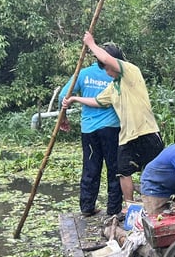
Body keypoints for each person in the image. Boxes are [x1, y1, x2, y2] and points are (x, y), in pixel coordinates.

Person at [62, 32, 164, 207]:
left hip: (146, 130)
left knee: (154, 170)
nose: (107, 73)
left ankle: (159, 202)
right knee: (122, 171)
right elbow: (97, 101)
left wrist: (91, 44)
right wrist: (74, 99)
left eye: (108, 68)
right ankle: (129, 206)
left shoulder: (131, 71)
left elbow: (109, 60)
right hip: (127, 135)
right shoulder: (113, 86)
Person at [59, 60, 122, 218]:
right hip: (112, 127)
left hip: (89, 130)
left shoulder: (83, 73)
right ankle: (114, 209)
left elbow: (63, 97)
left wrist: (63, 117)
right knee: (114, 167)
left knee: (90, 167)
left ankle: (87, 207)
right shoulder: (116, 73)